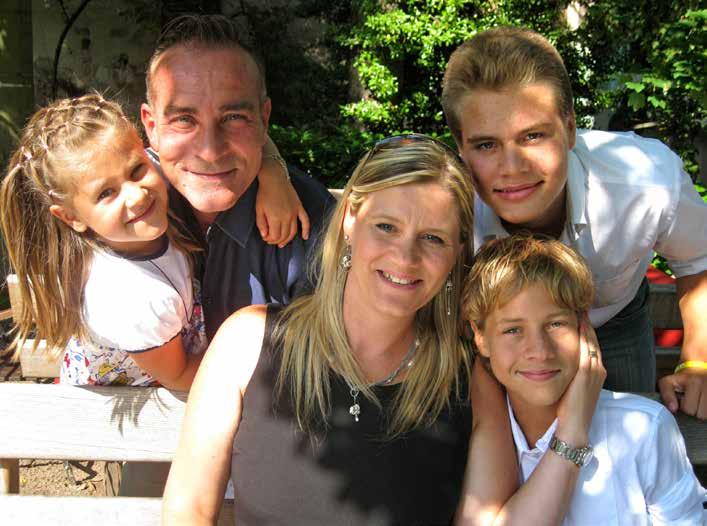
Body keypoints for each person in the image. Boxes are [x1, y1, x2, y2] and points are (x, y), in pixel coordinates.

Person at [162, 136, 605, 526]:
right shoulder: (247, 343)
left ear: (457, 252)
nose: (405, 257)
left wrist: (572, 435)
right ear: (350, 220)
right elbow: (187, 510)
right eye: (387, 227)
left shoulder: (467, 380)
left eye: (433, 238)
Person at [442, 26, 707, 418]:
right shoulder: (444, 204)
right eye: (486, 145)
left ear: (569, 129)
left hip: (612, 323)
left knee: (630, 433)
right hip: (490, 335)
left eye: (532, 136)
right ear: (460, 147)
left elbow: (699, 260)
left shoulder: (646, 182)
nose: (511, 168)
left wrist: (698, 361)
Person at [463, 235, 706, 525]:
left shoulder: (645, 428)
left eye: (556, 323)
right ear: (480, 338)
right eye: (513, 330)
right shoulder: (465, 441)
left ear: (584, 326)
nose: (539, 351)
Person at [140, 14, 336, 341]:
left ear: (264, 120)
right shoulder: (119, 196)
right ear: (151, 127)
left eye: (233, 117)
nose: (210, 152)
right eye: (184, 120)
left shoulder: (316, 223)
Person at [0, 94, 206, 390]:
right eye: (106, 193)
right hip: (137, 399)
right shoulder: (130, 299)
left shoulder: (150, 173)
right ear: (71, 217)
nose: (136, 196)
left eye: (136, 170)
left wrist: (272, 173)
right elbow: (180, 376)